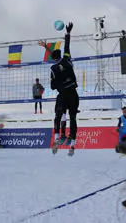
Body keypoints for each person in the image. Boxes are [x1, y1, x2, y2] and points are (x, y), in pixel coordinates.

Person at [47, 22, 79, 156]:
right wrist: (68, 33)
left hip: (63, 94)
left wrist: (58, 84)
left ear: (53, 59)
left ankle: (57, 139)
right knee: (73, 118)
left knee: (58, 116)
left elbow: (52, 86)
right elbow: (67, 46)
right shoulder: (67, 59)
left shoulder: (53, 69)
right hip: (73, 93)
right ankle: (72, 146)